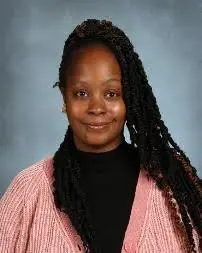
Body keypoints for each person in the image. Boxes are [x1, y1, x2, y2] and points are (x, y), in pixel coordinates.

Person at [0, 19, 201, 253]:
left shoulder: (172, 189)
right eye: (81, 93)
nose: (96, 107)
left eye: (111, 93)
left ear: (130, 98)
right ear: (64, 98)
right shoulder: (27, 192)